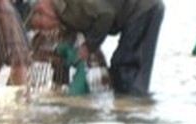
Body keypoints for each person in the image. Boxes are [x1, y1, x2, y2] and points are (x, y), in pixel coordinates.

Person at [29, 0, 164, 96]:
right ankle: (129, 108)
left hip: (143, 8)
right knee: (122, 69)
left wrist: (88, 46)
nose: (44, 30)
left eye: (41, 26)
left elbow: (106, 14)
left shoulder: (75, 4)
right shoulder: (63, 14)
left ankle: (132, 113)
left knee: (126, 68)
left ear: (43, 11)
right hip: (138, 11)